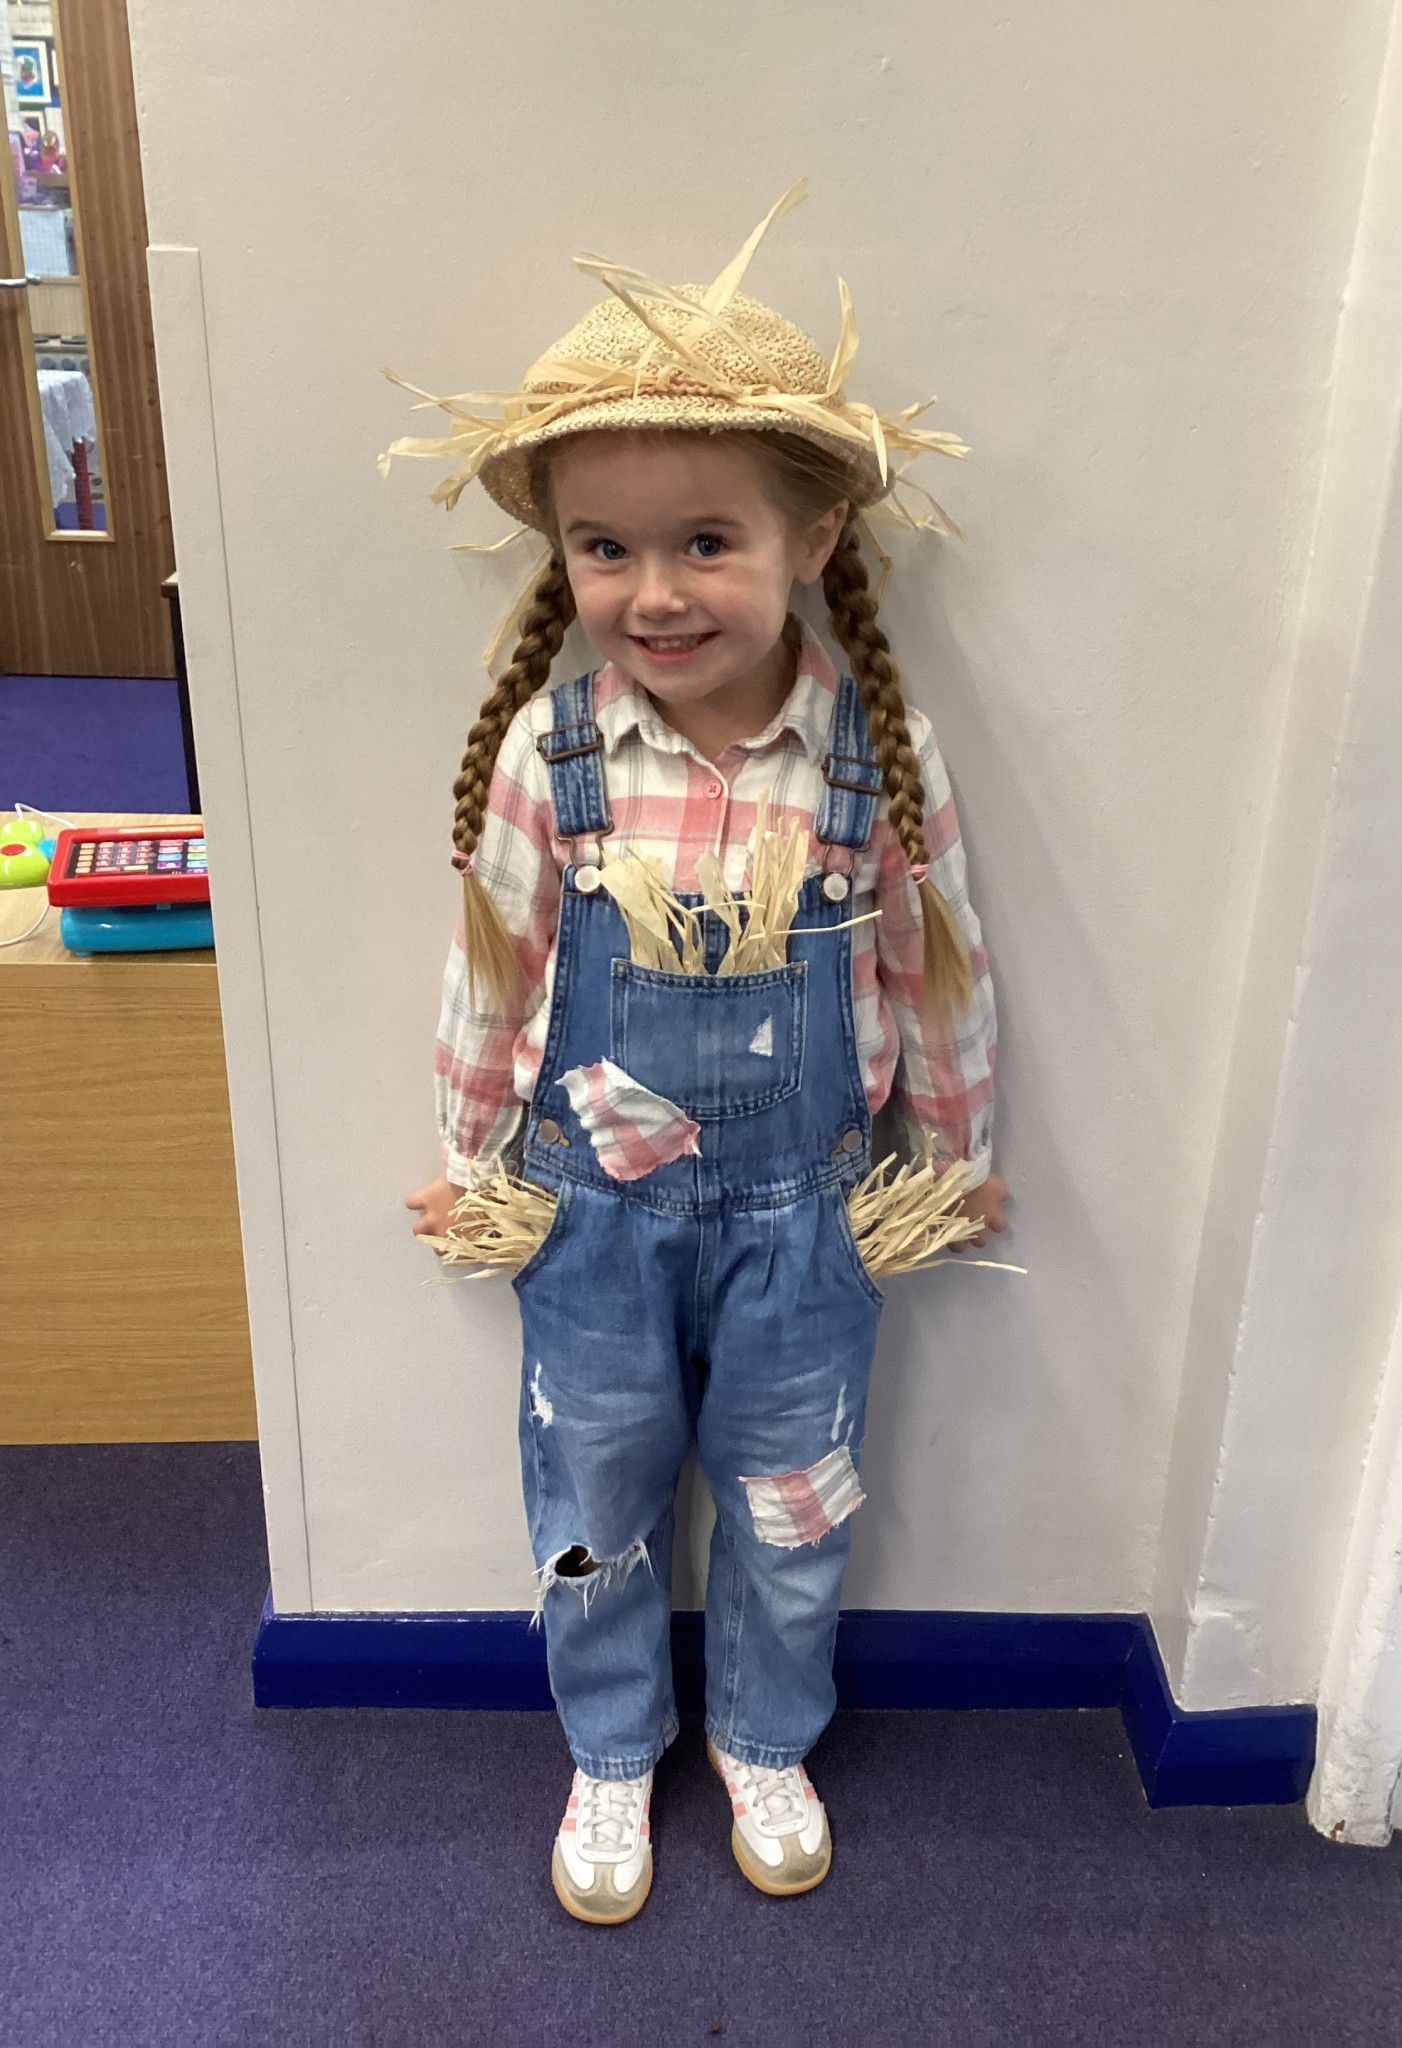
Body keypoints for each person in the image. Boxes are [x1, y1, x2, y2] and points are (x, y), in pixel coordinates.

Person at [398, 186, 1008, 1925]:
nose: (653, 592)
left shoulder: (872, 754)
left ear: (810, 535)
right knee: (592, 1494)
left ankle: (763, 1735)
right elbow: (498, 966)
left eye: (705, 543)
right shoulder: (552, 751)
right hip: (586, 1224)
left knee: (791, 1500)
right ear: (565, 559)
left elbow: (940, 963)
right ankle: (608, 1749)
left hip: (812, 1221)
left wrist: (951, 1158)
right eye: (606, 548)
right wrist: (466, 1152)